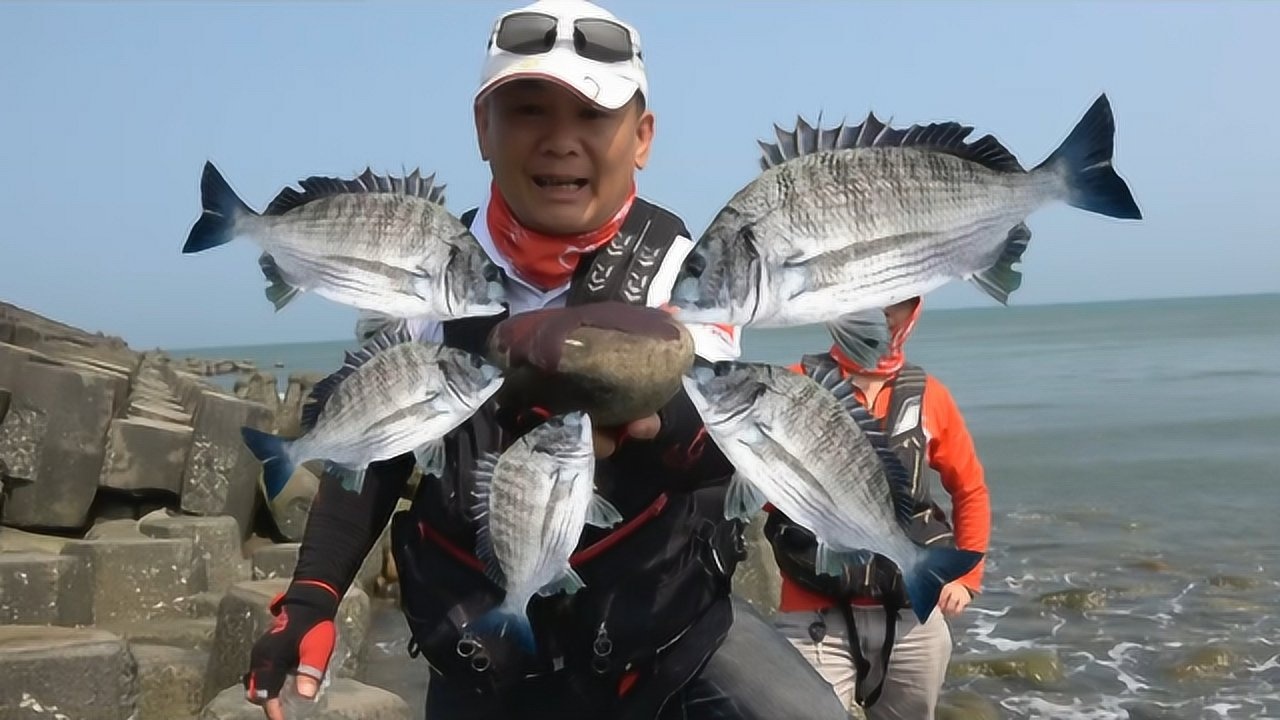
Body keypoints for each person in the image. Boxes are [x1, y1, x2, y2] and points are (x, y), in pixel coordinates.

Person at [242, 2, 851, 719]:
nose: (561, 142)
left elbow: (719, 439)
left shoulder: (691, 270)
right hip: (484, 665)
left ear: (642, 137)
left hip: (666, 649)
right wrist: (311, 598)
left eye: (593, 117)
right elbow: (373, 450)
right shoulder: (427, 273)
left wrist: (648, 417)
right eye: (529, 110)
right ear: (483, 130)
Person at [766, 296, 992, 719]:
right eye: (870, 297)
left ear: (916, 311)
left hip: (914, 618)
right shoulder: (793, 386)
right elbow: (757, 481)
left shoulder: (931, 397)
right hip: (812, 613)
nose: (885, 311)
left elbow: (970, 490)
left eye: (900, 301)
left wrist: (966, 579)